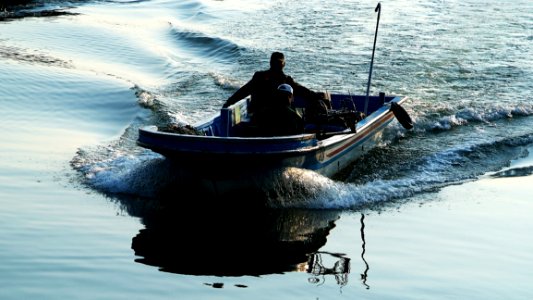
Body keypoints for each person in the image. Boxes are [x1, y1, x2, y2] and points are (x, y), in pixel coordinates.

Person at [222, 51, 317, 115]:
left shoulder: (258, 76)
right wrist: (317, 97)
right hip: (272, 118)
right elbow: (302, 91)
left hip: (257, 117)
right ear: (283, 65)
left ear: (270, 63)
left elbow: (243, 92)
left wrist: (228, 103)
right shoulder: (286, 80)